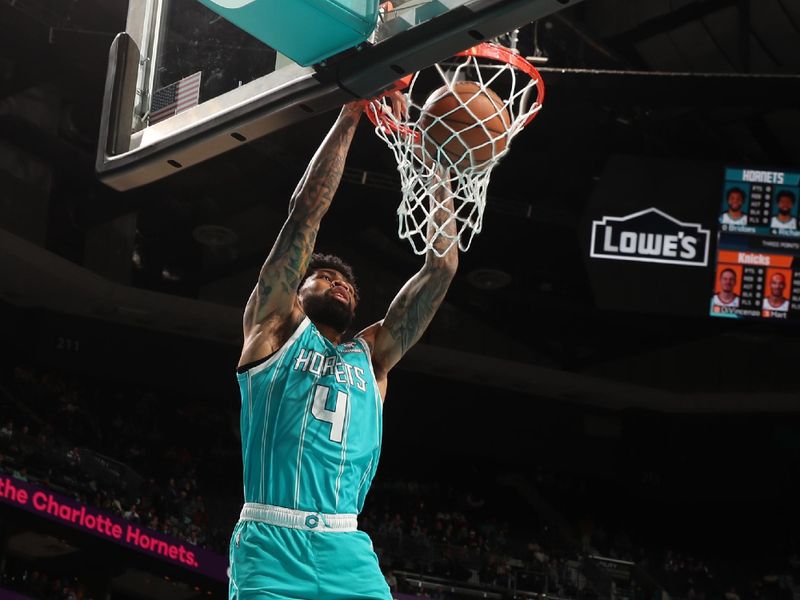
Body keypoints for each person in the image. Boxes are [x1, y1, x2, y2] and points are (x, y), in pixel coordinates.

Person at [228, 98, 458, 600]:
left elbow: (441, 268)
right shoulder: (273, 328)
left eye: (347, 283)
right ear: (296, 289)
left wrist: (434, 160)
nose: (339, 284)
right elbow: (304, 214)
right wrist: (352, 112)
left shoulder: (372, 356)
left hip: (346, 548)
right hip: (271, 544)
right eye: (324, 277)